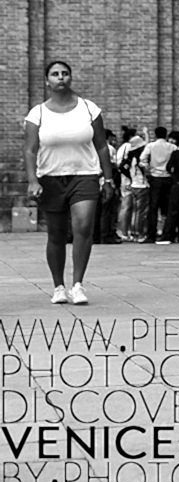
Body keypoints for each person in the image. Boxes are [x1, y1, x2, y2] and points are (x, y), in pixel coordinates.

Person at [23, 60, 114, 305]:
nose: (60, 77)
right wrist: (32, 181)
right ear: (47, 81)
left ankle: (77, 285)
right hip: (50, 179)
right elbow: (30, 150)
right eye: (55, 74)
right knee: (56, 234)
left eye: (65, 73)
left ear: (70, 78)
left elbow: (102, 145)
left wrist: (108, 178)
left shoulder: (88, 109)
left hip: (85, 175)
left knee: (83, 227)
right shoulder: (37, 114)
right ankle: (58, 286)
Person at [140, 126, 176, 243]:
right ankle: (167, 233)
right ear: (166, 135)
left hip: (155, 178)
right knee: (167, 208)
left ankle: (151, 234)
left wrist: (148, 169)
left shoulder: (151, 146)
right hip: (168, 178)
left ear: (155, 135)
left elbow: (142, 159)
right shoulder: (172, 147)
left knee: (153, 208)